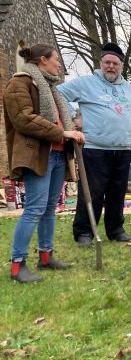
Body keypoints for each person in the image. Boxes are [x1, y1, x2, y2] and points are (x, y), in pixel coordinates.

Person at [3, 43, 85, 282]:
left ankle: (46, 255)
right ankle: (18, 265)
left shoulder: (51, 87)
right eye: (56, 59)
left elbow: (62, 121)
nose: (59, 64)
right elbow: (24, 119)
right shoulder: (20, 83)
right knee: (34, 209)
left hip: (58, 154)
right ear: (42, 60)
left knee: (50, 208)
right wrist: (62, 133)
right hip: (38, 154)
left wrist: (74, 129)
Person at [58, 42, 131, 246]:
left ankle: (115, 229)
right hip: (95, 148)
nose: (111, 67)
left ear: (121, 66)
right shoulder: (87, 83)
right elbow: (59, 93)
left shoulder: (128, 88)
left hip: (123, 148)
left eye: (115, 63)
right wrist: (72, 116)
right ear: (101, 63)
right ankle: (85, 232)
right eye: (107, 62)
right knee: (93, 192)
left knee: (117, 192)